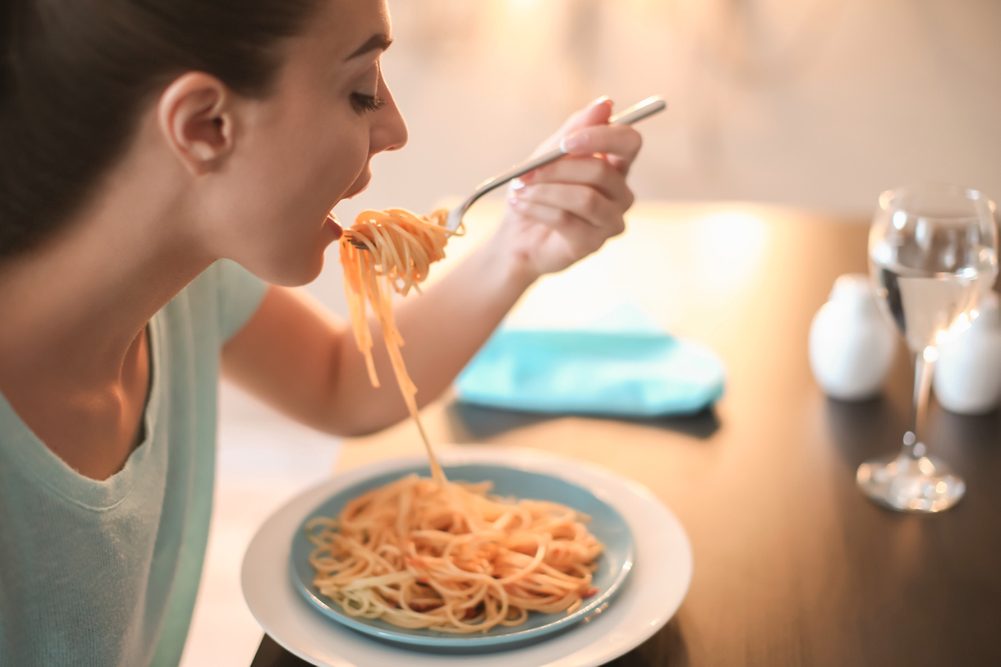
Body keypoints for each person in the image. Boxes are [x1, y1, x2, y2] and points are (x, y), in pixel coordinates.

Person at [0, 0, 644, 664]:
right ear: (205, 124)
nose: (395, 128)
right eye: (360, 91)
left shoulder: (184, 285)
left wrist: (518, 248)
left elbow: (342, 382)